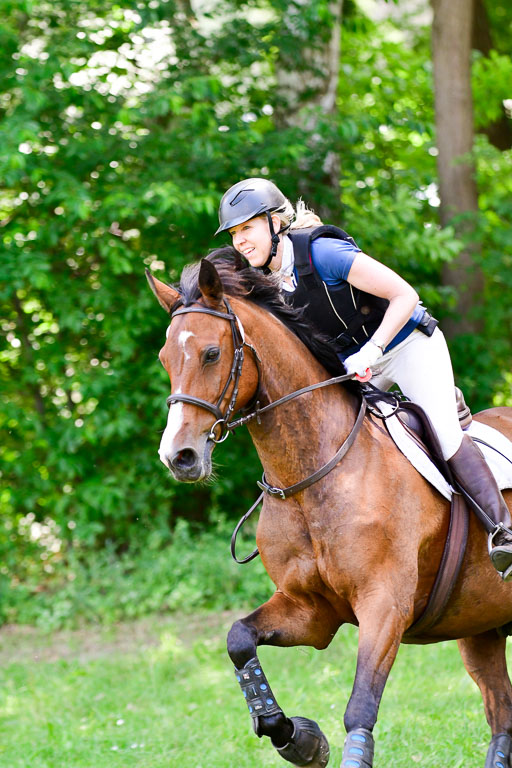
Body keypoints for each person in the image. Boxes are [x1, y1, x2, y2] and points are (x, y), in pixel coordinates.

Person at [215, 177, 512, 580]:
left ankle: (502, 531)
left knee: (442, 432)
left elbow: (404, 295)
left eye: (246, 228)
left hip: (407, 345)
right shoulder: (266, 281)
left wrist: (373, 350)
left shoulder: (324, 252)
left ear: (275, 222)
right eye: (234, 234)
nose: (241, 242)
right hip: (355, 364)